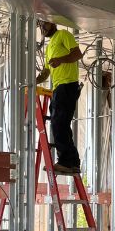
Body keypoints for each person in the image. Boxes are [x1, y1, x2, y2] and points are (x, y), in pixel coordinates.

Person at [36, 20, 84, 174]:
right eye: (40, 25)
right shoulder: (49, 47)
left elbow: (77, 54)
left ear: (53, 23)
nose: (42, 27)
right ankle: (73, 162)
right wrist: (33, 81)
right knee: (60, 124)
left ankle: (65, 161)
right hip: (58, 88)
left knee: (58, 123)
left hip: (68, 85)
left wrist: (60, 60)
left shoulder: (63, 34)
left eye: (44, 23)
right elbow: (46, 72)